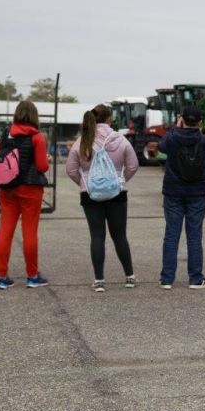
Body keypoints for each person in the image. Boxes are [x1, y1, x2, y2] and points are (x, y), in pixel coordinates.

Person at [65, 104, 140, 293]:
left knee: (97, 236)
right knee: (119, 236)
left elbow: (71, 170)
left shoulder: (82, 141)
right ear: (109, 119)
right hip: (117, 194)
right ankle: (129, 277)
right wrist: (120, 180)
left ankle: (99, 280)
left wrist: (85, 184)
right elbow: (133, 165)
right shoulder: (121, 140)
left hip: (90, 195)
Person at [0, 100, 50, 290]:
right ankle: (32, 276)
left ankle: (1, 277)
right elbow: (42, 166)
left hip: (7, 188)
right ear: (35, 116)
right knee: (29, 232)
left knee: (5, 230)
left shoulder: (5, 134)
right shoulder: (37, 137)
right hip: (30, 188)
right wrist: (46, 159)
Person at [158, 105, 205, 289]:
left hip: (173, 191)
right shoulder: (204, 141)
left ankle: (167, 279)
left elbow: (161, 146)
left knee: (171, 235)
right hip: (196, 192)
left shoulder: (172, 138)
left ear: (182, 119)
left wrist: (176, 127)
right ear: (199, 122)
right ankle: (196, 278)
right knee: (194, 236)